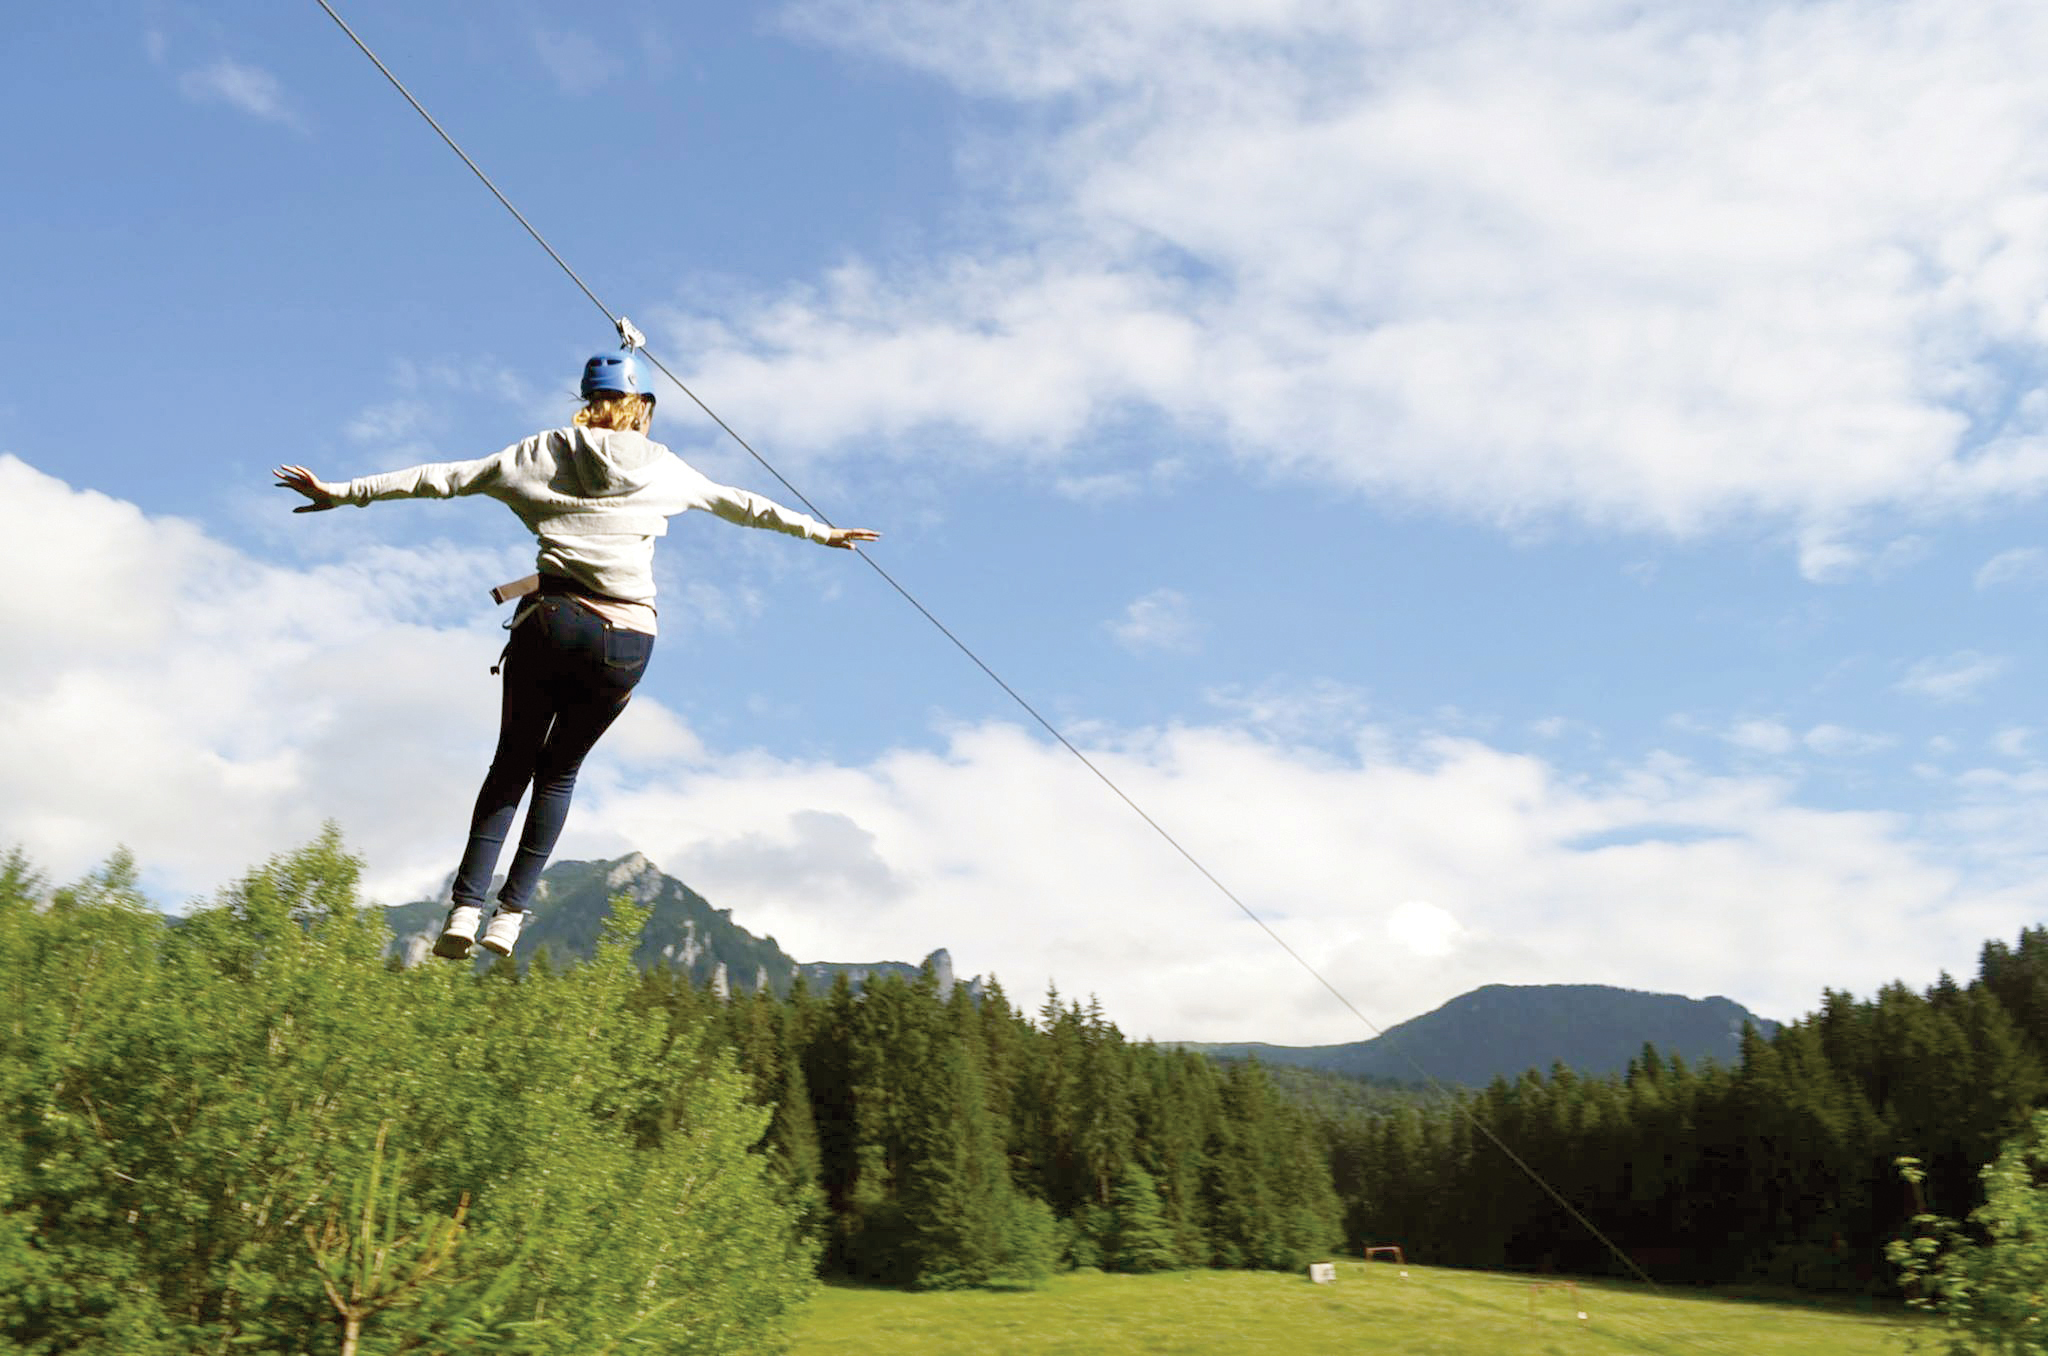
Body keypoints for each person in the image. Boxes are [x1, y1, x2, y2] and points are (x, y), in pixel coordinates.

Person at [275, 349, 878, 961]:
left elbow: (442, 478)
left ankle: (464, 910)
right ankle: (510, 917)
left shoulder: (538, 453)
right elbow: (741, 504)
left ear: (585, 403)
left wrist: (343, 493)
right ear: (639, 408)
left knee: (512, 765)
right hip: (627, 642)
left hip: (555, 622)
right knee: (558, 774)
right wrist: (822, 531)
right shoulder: (664, 467)